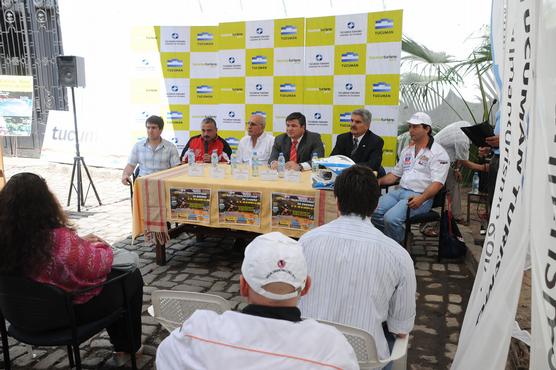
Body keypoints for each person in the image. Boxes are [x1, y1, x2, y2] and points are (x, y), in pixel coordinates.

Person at [156, 232, 358, 370]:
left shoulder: (197, 332)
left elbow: (164, 358)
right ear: (306, 287)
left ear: (243, 286)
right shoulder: (332, 347)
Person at [0, 173, 144, 363]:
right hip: (62, 317)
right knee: (129, 276)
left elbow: (52, 258)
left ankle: (124, 347)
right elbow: (99, 265)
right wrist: (94, 246)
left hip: (17, 315)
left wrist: (78, 243)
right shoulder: (58, 240)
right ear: (44, 203)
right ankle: (127, 349)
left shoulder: (6, 240)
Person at [299, 165, 416, 366]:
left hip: (310, 354)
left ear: (336, 200)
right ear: (377, 204)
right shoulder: (398, 255)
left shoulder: (305, 242)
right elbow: (401, 327)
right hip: (365, 362)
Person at [371, 112, 450, 244]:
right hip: (399, 192)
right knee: (372, 212)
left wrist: (422, 198)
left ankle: (397, 251)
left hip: (420, 196)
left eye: (415, 127)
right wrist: (377, 182)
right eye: (410, 127)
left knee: (391, 219)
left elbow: (438, 183)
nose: (411, 130)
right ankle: (400, 239)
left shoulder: (438, 153)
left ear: (427, 129)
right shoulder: (407, 150)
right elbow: (395, 175)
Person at [433, 120, 490, 223]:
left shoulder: (466, 125)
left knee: (454, 182)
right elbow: (464, 161)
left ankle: (456, 216)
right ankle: (447, 218)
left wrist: (457, 169)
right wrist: (484, 168)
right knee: (438, 190)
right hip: (435, 159)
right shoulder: (463, 140)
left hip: (441, 157)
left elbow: (458, 154)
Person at [121, 115, 180, 185]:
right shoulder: (138, 146)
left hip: (163, 184)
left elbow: (176, 169)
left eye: (153, 128)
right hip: (143, 183)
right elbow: (131, 165)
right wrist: (125, 175)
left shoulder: (171, 147)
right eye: (148, 128)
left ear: (161, 130)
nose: (150, 131)